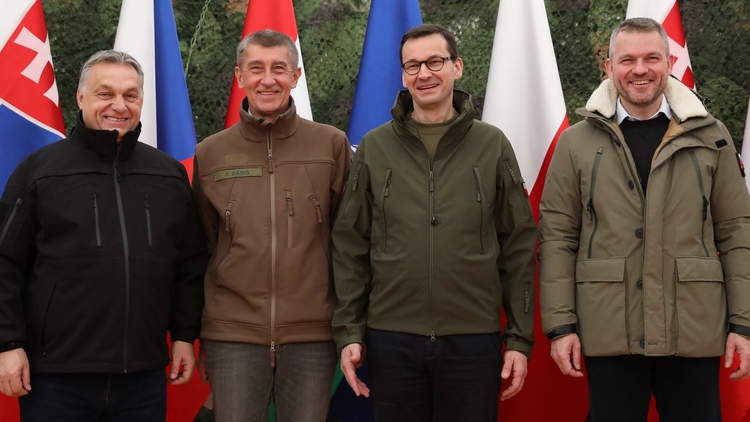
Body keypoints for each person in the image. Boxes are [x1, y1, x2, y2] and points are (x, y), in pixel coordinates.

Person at [539, 17, 750, 422]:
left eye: (651, 58)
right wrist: (561, 327)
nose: (640, 70)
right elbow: (557, 239)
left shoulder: (712, 136)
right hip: (608, 329)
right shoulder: (575, 143)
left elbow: (738, 232)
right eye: (627, 60)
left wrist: (743, 323)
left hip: (693, 327)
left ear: (669, 62)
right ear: (609, 67)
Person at [332, 24, 537, 422]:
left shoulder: (492, 144)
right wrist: (350, 332)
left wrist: (518, 338)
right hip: (392, 338)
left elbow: (517, 244)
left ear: (457, 67)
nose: (423, 73)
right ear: (403, 75)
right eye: (412, 65)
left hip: (473, 339)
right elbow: (350, 244)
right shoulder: (375, 146)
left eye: (435, 62)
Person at [0, 50, 207, 420]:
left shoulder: (169, 175)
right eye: (105, 93)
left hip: (143, 380)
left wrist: (183, 335)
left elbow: (188, 265)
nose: (119, 105)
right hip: (56, 381)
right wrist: (7, 342)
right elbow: (5, 262)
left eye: (130, 95)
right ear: (81, 97)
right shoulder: (40, 172)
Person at [192, 29, 351, 422]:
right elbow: (203, 246)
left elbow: (349, 242)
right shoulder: (210, 152)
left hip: (312, 333)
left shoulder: (331, 145)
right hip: (233, 334)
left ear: (295, 76)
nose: (268, 80)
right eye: (256, 68)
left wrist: (349, 327)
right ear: (239, 76)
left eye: (279, 68)